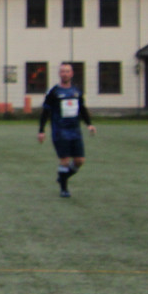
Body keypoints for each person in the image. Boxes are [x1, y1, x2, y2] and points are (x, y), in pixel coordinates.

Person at [38, 63, 97, 198]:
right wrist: (41, 130)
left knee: (80, 161)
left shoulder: (76, 91)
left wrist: (89, 124)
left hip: (75, 130)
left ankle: (62, 177)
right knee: (64, 160)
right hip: (60, 130)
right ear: (59, 74)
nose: (65, 74)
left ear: (72, 74)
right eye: (62, 71)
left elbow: (82, 109)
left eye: (67, 71)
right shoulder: (54, 92)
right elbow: (45, 112)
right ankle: (64, 189)